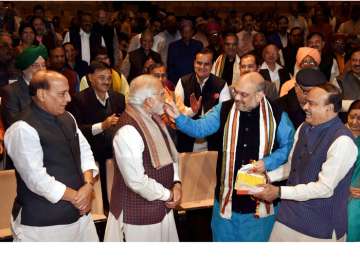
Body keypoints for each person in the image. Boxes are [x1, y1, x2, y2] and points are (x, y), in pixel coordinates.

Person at [165, 72, 294, 242]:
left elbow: (289, 146)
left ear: (260, 95)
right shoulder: (224, 109)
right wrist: (178, 117)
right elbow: (200, 128)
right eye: (236, 92)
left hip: (259, 209)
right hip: (226, 204)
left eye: (244, 95)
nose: (237, 98)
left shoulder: (277, 115)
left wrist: (268, 162)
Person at [4, 70, 99, 241]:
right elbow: (36, 179)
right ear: (41, 94)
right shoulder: (22, 128)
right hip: (42, 226)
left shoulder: (68, 117)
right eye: (62, 94)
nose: (69, 98)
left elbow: (85, 152)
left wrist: (88, 185)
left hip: (80, 216)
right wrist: (78, 197)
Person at [255, 83, 357, 242]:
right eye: (306, 101)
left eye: (312, 104)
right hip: (288, 216)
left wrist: (279, 192)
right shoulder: (303, 127)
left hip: (321, 226)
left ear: (329, 108)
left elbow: (324, 188)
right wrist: (266, 176)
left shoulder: (343, 141)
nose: (305, 107)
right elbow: (293, 167)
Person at [104, 75, 181, 242]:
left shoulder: (154, 119)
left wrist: (176, 183)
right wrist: (167, 194)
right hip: (138, 216)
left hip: (162, 206)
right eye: (161, 94)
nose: (166, 98)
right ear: (148, 101)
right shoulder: (128, 130)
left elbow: (172, 155)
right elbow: (136, 181)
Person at [68, 61, 125, 211]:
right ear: (90, 78)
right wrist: (102, 125)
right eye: (101, 77)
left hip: (115, 155)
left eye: (109, 77)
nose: (106, 81)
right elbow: (76, 130)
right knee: (100, 201)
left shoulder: (118, 98)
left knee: (117, 195)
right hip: (92, 156)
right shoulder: (79, 99)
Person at [174, 48, 230, 152]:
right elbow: (177, 112)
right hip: (186, 140)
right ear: (194, 63)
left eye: (206, 64)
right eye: (199, 63)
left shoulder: (221, 85)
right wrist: (192, 111)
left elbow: (224, 115)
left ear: (212, 65)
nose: (202, 67)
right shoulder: (183, 82)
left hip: (213, 142)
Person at [1, 45, 47, 129]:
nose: (41, 70)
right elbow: (14, 125)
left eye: (43, 65)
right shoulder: (10, 91)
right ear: (24, 69)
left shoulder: (49, 87)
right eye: (36, 66)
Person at [345, 100, 360, 241]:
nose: (354, 122)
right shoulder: (338, 136)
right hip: (339, 193)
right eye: (351, 117)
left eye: (359, 118)